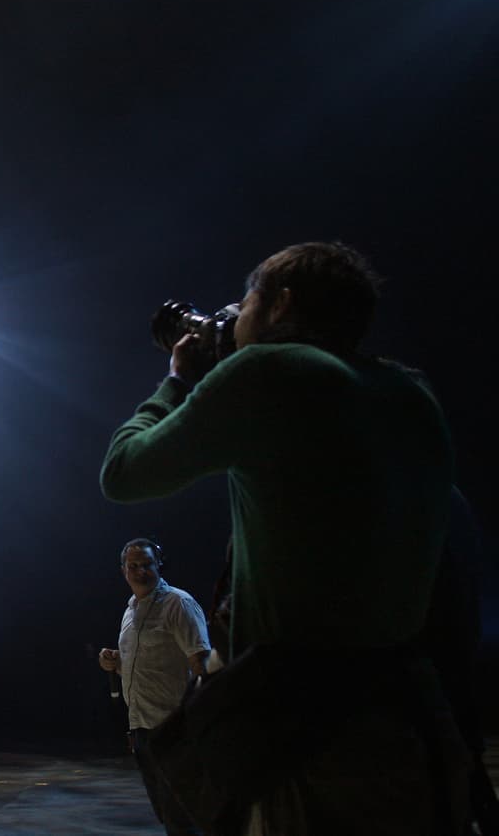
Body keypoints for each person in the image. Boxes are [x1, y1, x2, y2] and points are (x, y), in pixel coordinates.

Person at [100, 241, 471, 835]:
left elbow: (122, 472)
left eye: (244, 303)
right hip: (411, 715)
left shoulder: (270, 371)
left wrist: (178, 379)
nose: (232, 319)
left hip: (303, 727)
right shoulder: (411, 393)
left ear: (281, 306)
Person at [99, 538, 210, 836]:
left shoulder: (178, 603)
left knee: (184, 817)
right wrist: (115, 661)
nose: (140, 571)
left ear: (159, 563)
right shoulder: (130, 609)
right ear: (123, 571)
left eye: (146, 564)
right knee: (167, 814)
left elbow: (202, 663)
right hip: (143, 731)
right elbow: (144, 661)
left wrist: (199, 725)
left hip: (175, 730)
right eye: (133, 566)